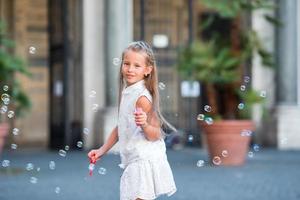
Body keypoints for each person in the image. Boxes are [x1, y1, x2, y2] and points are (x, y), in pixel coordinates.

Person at [88, 41, 177, 200]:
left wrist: (144, 124)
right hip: (133, 158)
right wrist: (102, 150)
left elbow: (155, 134)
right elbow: (121, 127)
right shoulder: (128, 92)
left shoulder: (142, 98)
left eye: (137, 66)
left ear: (147, 70)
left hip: (143, 160)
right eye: (127, 64)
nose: (130, 69)